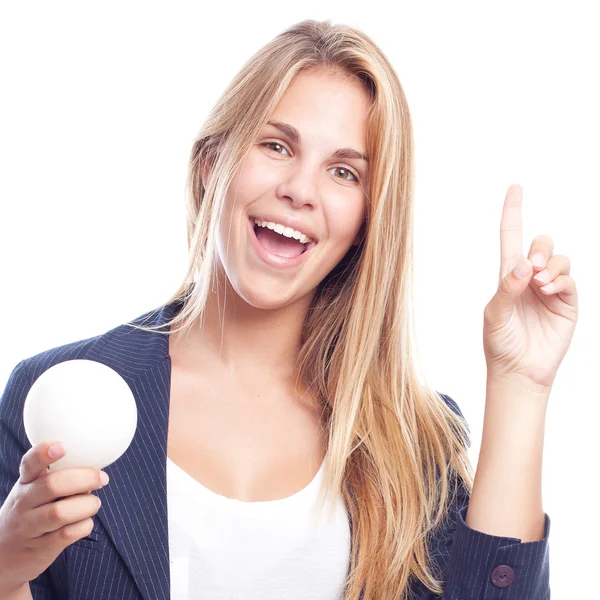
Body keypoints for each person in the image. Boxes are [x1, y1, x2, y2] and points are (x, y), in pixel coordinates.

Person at [0, 18, 577, 600]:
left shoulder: (411, 442)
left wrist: (519, 384)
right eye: (277, 145)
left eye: (344, 172)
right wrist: (5, 568)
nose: (301, 189)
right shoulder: (53, 398)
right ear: (212, 161)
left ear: (364, 223)